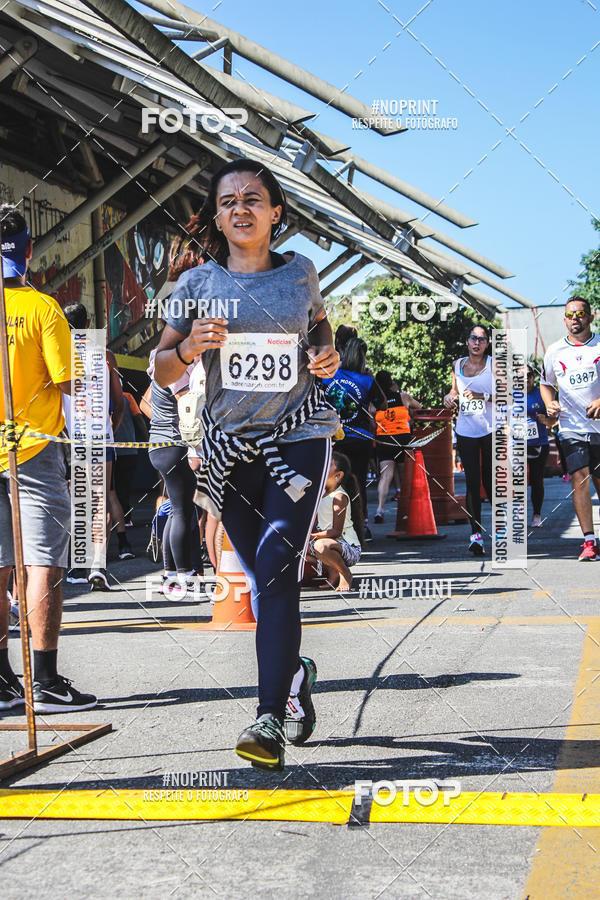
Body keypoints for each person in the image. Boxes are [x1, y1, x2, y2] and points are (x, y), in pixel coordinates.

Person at [154, 158, 340, 770]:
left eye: (254, 198)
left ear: (275, 211)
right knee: (265, 580)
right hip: (227, 447)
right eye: (229, 200)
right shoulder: (194, 286)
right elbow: (160, 369)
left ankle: (267, 721)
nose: (241, 208)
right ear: (217, 215)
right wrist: (186, 348)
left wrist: (325, 353)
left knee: (276, 560)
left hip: (297, 436)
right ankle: (295, 676)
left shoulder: (300, 274)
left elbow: (318, 327)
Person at [0, 204, 96, 712]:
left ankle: (0, 680)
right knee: (41, 561)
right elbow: (68, 381)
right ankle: (45, 679)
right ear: (29, 251)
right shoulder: (44, 309)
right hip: (32, 447)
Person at [62, 303, 134, 589]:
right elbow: (118, 403)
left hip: (72, 437)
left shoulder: (58, 353)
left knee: (78, 502)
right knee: (100, 500)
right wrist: (110, 429)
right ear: (88, 321)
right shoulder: (105, 356)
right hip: (100, 435)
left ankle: (78, 566)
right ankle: (97, 566)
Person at [540, 297, 600, 560]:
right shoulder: (554, 351)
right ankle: (589, 541)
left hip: (598, 427)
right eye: (570, 314)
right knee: (580, 476)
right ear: (564, 319)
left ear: (590, 317)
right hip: (570, 427)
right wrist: (550, 402)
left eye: (581, 313)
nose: (575, 318)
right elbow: (545, 383)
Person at [147, 352, 205, 598]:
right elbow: (189, 408)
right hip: (175, 447)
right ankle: (184, 576)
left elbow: (144, 403)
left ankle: (171, 574)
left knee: (177, 508)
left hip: (157, 445)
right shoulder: (175, 371)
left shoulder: (157, 370)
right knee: (183, 510)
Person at [322, 337, 384, 540]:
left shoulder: (328, 377)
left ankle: (329, 525)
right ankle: (361, 526)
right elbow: (382, 404)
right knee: (357, 483)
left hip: (334, 438)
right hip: (360, 439)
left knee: (330, 483)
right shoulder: (367, 381)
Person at [444, 323, 493, 555]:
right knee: (472, 482)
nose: (476, 343)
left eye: (481, 339)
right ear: (467, 341)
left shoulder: (495, 365)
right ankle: (475, 535)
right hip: (466, 429)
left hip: (491, 428)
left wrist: (482, 395)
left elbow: (509, 395)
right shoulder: (458, 365)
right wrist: (450, 397)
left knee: (491, 480)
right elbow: (455, 390)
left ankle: (502, 530)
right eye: (473, 338)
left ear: (487, 344)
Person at [373, 370, 422, 523]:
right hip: (403, 440)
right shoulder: (404, 397)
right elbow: (419, 407)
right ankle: (407, 511)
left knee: (385, 476)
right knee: (406, 475)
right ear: (391, 382)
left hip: (384, 440)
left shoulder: (374, 402)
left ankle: (380, 509)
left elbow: (370, 418)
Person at [310, 452, 363, 592]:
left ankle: (345, 573)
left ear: (338, 475)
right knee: (293, 545)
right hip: (329, 543)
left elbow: (336, 532)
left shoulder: (339, 497)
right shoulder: (321, 494)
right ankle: (333, 575)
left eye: (328, 465)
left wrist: (312, 536)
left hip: (348, 547)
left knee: (321, 546)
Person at [114, 391, 149, 528]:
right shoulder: (127, 397)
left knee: (110, 490)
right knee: (124, 488)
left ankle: (113, 520)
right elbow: (139, 419)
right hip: (128, 449)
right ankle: (126, 519)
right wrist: (147, 441)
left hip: (108, 451)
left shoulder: (99, 396)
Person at [526, 365, 551, 528]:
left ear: (533, 377)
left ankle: (536, 514)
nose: (525, 379)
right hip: (516, 443)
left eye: (528, 375)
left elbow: (553, 420)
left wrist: (546, 420)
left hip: (539, 442)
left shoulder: (540, 394)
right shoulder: (510, 395)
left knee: (536, 480)